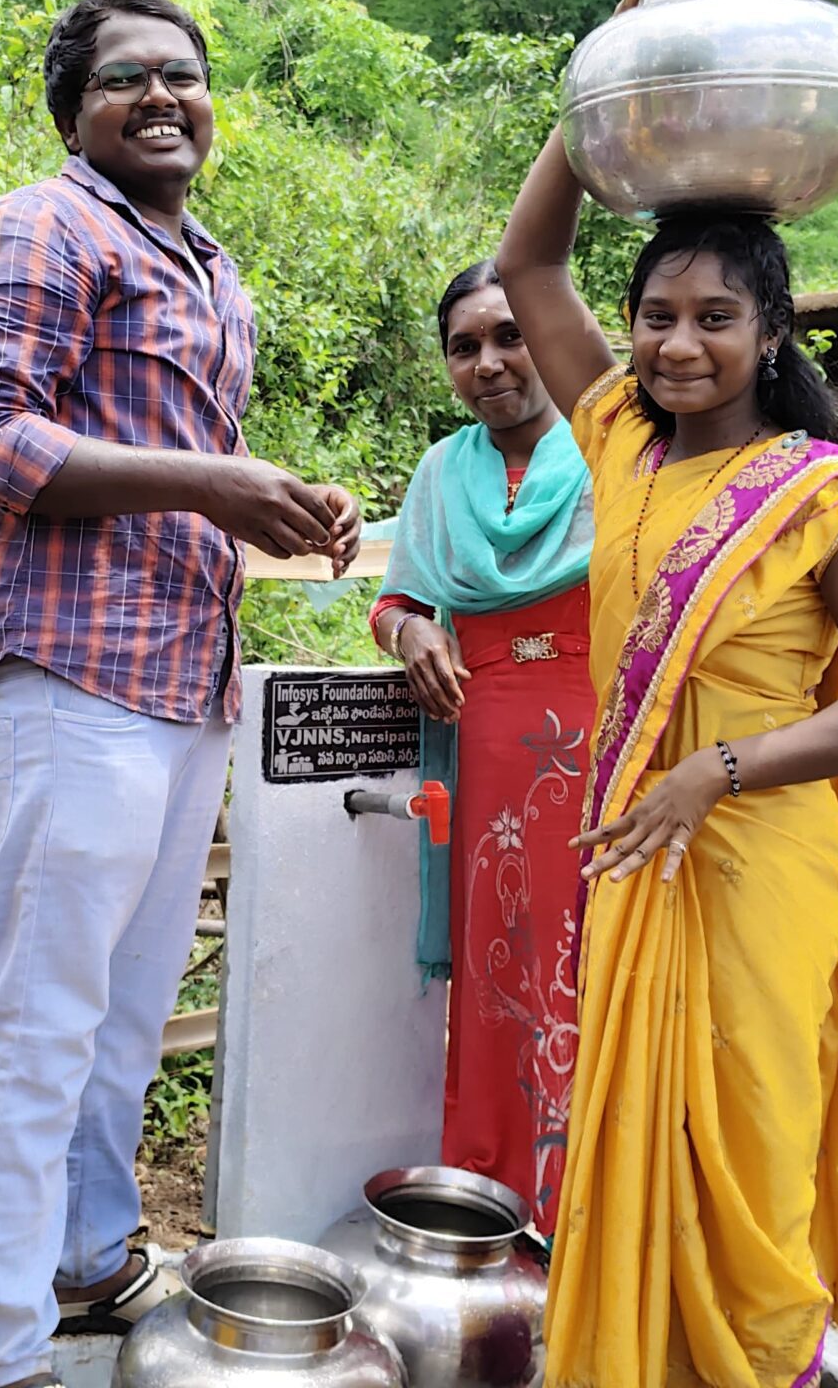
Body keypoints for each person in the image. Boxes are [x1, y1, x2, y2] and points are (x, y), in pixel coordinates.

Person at [0, 0, 360, 1388]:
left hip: (182, 677)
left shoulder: (210, 267)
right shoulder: (46, 226)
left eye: (183, 74)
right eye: (126, 78)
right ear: (76, 112)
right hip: (73, 667)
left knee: (122, 1014)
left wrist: (276, 500)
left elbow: (172, 456)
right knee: (40, 1014)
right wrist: (215, 483)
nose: (163, 96)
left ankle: (88, 1260)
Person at [495, 103, 838, 1383]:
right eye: (656, 316)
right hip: (640, 850)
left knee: (745, 1148)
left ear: (770, 333)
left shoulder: (821, 498)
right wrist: (590, 101)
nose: (678, 345)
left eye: (715, 318)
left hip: (756, 862)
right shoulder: (619, 443)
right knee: (634, 1143)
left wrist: (717, 770)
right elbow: (528, 263)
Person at [370, 259, 593, 1234]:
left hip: (602, 742)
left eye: (511, 336)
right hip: (488, 751)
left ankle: (588, 1205)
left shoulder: (616, 450)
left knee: (591, 965)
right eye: (465, 347)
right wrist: (412, 630)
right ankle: (497, 1191)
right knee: (498, 973)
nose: (489, 363)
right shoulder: (441, 472)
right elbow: (394, 599)